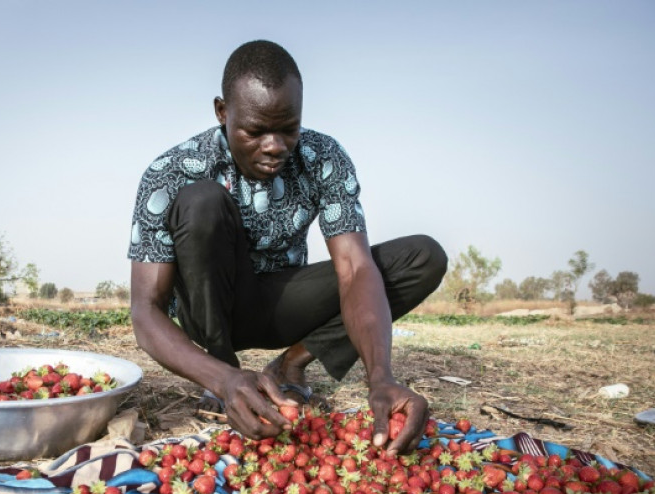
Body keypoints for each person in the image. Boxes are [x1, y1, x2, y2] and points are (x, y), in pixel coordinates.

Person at [128, 40, 447, 454]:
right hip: (207, 312)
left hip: (279, 304)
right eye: (256, 131)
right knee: (201, 202)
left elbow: (354, 268)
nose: (275, 145)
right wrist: (223, 379)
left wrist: (381, 377)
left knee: (422, 257)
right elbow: (145, 310)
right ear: (222, 112)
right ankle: (226, 369)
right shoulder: (170, 172)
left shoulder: (323, 157)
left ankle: (291, 363)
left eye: (288, 129)